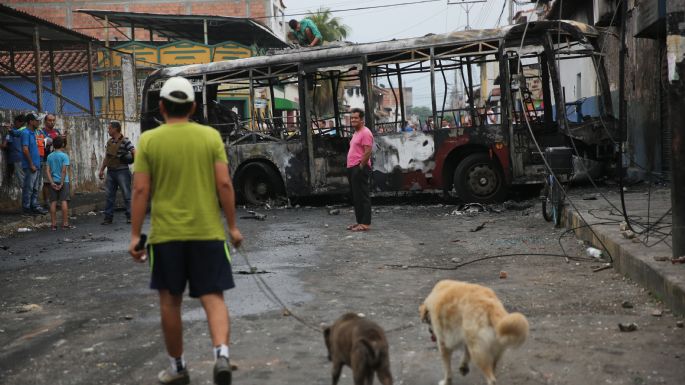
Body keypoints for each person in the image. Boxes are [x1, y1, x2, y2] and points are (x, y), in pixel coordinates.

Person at [128, 76, 243, 385]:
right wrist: (232, 226)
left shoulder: (149, 141)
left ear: (161, 107)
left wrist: (135, 235)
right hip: (207, 234)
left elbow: (140, 191)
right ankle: (221, 355)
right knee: (213, 297)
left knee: (170, 302)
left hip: (166, 238)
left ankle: (178, 367)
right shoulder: (210, 138)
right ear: (193, 107)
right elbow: (224, 184)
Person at [99, 121, 135, 225]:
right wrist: (102, 170)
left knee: (127, 195)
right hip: (111, 171)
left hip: (122, 171)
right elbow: (107, 157)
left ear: (115, 129)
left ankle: (130, 217)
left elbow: (134, 151)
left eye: (109, 128)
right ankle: (108, 217)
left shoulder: (125, 141)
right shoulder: (110, 142)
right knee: (109, 196)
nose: (108, 130)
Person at [346, 108, 373, 232]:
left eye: (356, 118)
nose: (353, 120)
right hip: (352, 167)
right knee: (356, 196)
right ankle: (359, 222)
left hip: (360, 167)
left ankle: (365, 223)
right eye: (352, 118)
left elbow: (368, 152)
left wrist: (361, 167)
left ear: (361, 119)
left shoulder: (365, 132)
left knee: (363, 196)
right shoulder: (356, 132)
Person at [21, 113, 47, 215]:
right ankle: (26, 208)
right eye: (37, 120)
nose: (39, 122)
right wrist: (31, 164)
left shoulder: (34, 132)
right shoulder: (26, 133)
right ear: (31, 121)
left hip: (37, 163)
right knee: (29, 187)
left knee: (35, 187)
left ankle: (33, 205)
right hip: (30, 165)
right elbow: (25, 149)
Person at [46, 136, 70, 230]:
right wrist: (62, 183)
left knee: (53, 202)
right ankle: (65, 223)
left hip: (53, 181)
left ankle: (53, 224)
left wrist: (51, 182)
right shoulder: (64, 156)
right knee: (64, 201)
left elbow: (47, 170)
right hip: (63, 181)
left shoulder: (49, 156)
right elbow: (64, 171)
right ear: (62, 144)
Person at [42, 114, 66, 203]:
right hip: (47, 160)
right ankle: (46, 202)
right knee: (47, 182)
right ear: (45, 121)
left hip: (58, 160)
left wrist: (64, 138)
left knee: (58, 180)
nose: (52, 122)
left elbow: (62, 145)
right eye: (49, 120)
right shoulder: (42, 132)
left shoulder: (56, 131)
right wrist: (54, 138)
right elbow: (43, 145)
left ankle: (55, 200)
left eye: (53, 120)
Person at [7, 114, 26, 188]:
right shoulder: (27, 131)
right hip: (26, 158)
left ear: (19, 122)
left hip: (17, 158)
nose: (14, 124)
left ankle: (27, 198)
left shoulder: (14, 132)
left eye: (15, 122)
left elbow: (5, 144)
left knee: (22, 181)